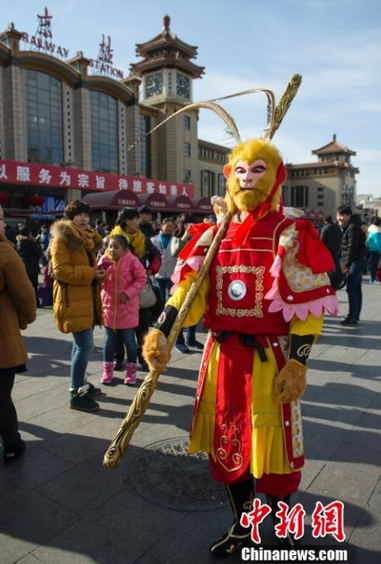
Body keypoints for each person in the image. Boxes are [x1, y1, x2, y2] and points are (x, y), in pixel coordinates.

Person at [144, 138, 338, 555]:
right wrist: (162, 327)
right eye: (240, 170)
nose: (247, 177)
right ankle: (242, 525)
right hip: (220, 358)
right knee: (227, 446)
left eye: (258, 170)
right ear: (229, 176)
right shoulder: (214, 234)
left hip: (270, 361)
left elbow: (306, 308)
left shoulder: (289, 234)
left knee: (276, 451)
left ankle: (282, 523)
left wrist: (299, 364)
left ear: (276, 177)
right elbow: (188, 294)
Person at [50, 200, 106, 412]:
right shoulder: (62, 239)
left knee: (80, 345)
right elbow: (61, 271)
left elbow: (84, 268)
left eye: (86, 215)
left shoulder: (88, 238)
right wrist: (92, 273)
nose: (84, 219)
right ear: (70, 217)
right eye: (79, 215)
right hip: (73, 299)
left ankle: (81, 382)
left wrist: (97, 274)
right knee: (84, 346)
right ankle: (76, 392)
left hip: (87, 297)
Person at [0, 205, 36, 462]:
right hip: (2, 335)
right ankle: (12, 445)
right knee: (1, 396)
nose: (5, 225)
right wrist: (23, 320)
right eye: (1, 219)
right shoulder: (4, 252)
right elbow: (25, 296)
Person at [109, 208, 161, 371]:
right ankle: (119, 358)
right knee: (117, 326)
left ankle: (143, 357)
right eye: (135, 219)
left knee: (142, 326)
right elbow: (105, 260)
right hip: (119, 290)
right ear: (126, 220)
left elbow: (156, 254)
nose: (138, 222)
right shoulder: (113, 238)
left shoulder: (142, 238)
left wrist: (150, 270)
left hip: (139, 289)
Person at [99, 235, 146, 386]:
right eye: (110, 246)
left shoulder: (132, 260)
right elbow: (97, 277)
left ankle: (131, 372)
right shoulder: (104, 259)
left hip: (128, 310)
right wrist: (100, 271)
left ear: (125, 249)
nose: (112, 250)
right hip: (109, 309)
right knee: (108, 343)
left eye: (116, 247)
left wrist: (128, 293)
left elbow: (142, 278)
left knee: (130, 343)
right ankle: (107, 371)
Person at [336, 205, 366, 325]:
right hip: (358, 260)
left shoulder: (353, 228)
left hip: (355, 260)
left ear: (348, 215)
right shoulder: (353, 226)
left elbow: (351, 248)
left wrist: (346, 265)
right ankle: (355, 315)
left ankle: (352, 316)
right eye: (338, 215)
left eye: (342, 215)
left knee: (352, 289)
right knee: (356, 289)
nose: (339, 218)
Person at [16, 226, 43, 307]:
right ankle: (36, 303)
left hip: (23, 266)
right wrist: (37, 245)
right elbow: (39, 254)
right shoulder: (30, 242)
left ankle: (25, 303)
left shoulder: (19, 242)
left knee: (24, 286)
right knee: (34, 286)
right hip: (32, 267)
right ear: (28, 233)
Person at [320, 215, 343, 290]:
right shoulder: (337, 227)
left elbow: (322, 240)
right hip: (336, 250)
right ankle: (335, 280)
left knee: (327, 267)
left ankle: (329, 281)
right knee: (336, 265)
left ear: (325, 221)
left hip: (327, 250)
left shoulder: (325, 228)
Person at [366, 216, 381, 284]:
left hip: (371, 249)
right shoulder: (377, 231)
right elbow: (378, 242)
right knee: (374, 265)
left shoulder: (370, 230)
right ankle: (373, 279)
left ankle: (372, 278)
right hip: (376, 250)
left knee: (373, 265)